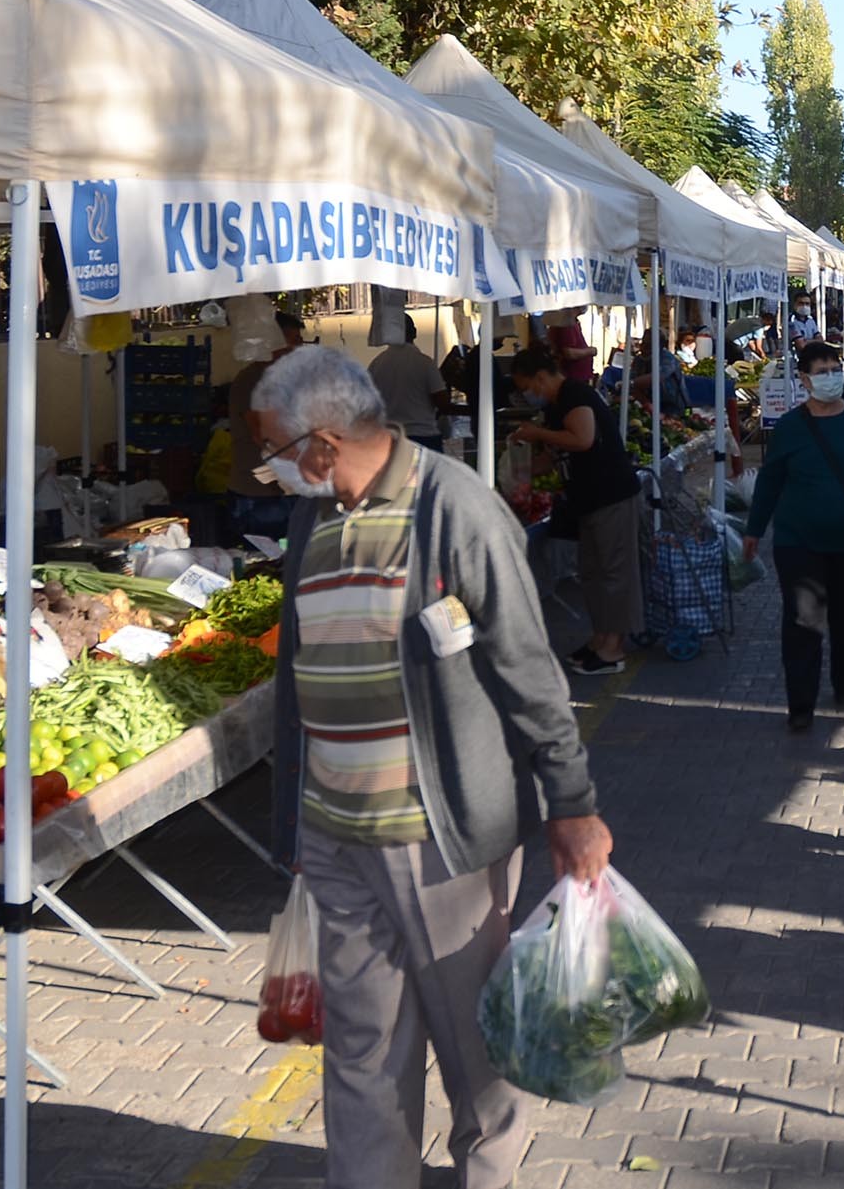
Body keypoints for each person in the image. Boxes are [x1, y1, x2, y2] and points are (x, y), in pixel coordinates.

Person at [255, 347, 614, 1189]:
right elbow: (297, 676)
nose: (266, 466)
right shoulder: (312, 517)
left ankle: (487, 1173)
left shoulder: (455, 508)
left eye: (274, 448)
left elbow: (530, 668)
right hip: (336, 834)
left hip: (440, 837)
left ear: (323, 442)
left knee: (472, 1040)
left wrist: (572, 803)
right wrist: (293, 826)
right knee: (361, 1047)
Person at [743, 339, 844, 732]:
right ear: (805, 380)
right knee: (803, 622)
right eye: (821, 371)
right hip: (798, 542)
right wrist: (753, 531)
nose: (830, 377)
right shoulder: (790, 427)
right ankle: (801, 704)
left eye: (835, 369)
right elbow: (770, 481)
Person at [508, 344, 645, 679]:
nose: (528, 395)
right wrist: (517, 472)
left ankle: (614, 649)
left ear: (541, 377)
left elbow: (582, 439)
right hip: (587, 499)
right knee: (593, 572)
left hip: (610, 495)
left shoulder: (575, 395)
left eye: (528, 387)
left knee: (613, 573)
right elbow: (554, 455)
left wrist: (537, 433)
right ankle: (600, 638)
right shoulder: (557, 405)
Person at [227, 309, 305, 538]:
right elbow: (263, 435)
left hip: (286, 489)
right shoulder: (252, 381)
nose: (299, 348)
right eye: (294, 340)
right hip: (259, 495)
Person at [368, 316, 451, 452]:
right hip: (424, 438)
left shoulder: (376, 364)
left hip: (389, 440)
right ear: (415, 332)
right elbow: (443, 403)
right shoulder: (425, 363)